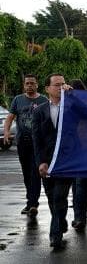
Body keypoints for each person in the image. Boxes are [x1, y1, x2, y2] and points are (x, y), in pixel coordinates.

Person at [32, 73, 72, 250]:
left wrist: (73, 95)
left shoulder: (71, 106)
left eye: (63, 84)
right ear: (47, 89)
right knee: (51, 198)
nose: (60, 87)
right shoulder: (39, 111)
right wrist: (41, 162)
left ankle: (55, 237)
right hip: (47, 162)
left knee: (59, 196)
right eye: (56, 85)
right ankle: (61, 221)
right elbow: (37, 139)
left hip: (66, 161)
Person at [4, 74, 48, 217]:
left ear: (37, 85)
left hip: (38, 141)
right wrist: (6, 133)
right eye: (27, 83)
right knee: (26, 173)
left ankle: (33, 203)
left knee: (35, 172)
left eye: (32, 83)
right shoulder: (18, 100)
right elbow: (10, 118)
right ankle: (30, 202)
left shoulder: (43, 100)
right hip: (22, 141)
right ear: (24, 85)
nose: (29, 85)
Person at [68, 79, 87, 231]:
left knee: (79, 184)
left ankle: (80, 217)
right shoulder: (65, 103)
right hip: (74, 149)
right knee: (76, 185)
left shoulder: (81, 104)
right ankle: (78, 217)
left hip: (81, 148)